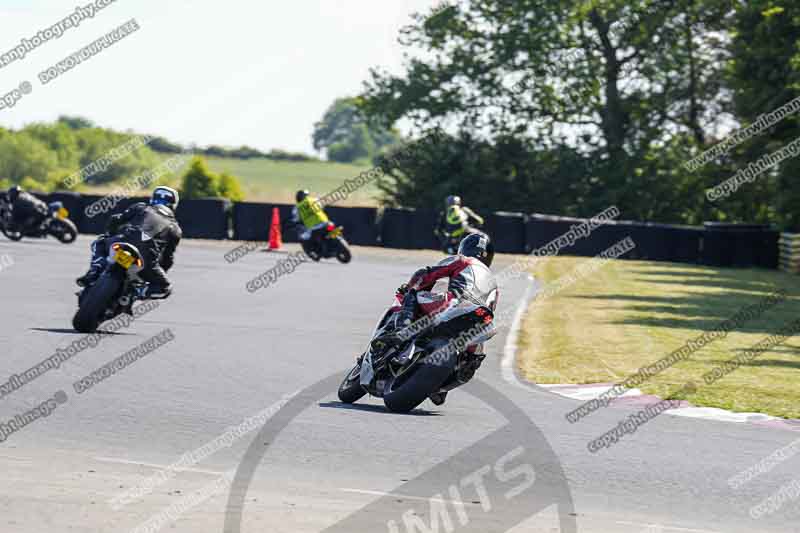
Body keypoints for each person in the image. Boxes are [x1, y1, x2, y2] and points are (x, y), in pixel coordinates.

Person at [373, 233, 498, 404]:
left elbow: (428, 274)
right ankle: (443, 384)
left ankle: (400, 331)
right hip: (478, 321)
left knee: (414, 293)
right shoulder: (494, 283)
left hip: (454, 304)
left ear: (465, 248)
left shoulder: (462, 260)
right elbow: (490, 309)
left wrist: (409, 287)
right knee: (475, 357)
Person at [76, 186, 182, 299]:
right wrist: (159, 272)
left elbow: (115, 219)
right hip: (146, 259)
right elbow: (168, 257)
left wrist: (110, 234)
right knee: (165, 288)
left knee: (101, 241)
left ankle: (95, 269)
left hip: (122, 242)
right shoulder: (175, 228)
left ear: (153, 199)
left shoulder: (141, 207)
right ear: (174, 205)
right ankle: (138, 292)